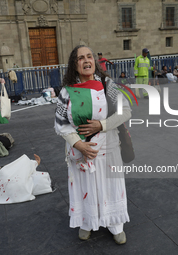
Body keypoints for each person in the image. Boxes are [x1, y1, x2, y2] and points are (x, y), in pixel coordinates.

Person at [55, 45, 131, 245]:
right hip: (80, 152)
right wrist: (79, 145)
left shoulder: (107, 84)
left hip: (108, 148)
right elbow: (60, 123)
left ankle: (115, 225)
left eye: (89, 56)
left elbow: (125, 111)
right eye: (81, 58)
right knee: (84, 187)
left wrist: (101, 125)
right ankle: (86, 221)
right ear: (74, 64)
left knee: (110, 186)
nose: (86, 60)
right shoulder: (66, 91)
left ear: (94, 61)